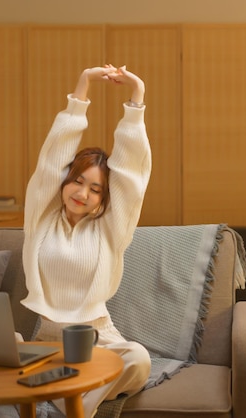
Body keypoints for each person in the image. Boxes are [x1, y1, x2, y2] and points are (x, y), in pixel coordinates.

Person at [21, 64, 153, 417]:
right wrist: (82, 86)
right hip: (47, 342)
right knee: (3, 352)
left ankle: (68, 407)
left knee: (138, 360)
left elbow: (129, 176)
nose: (82, 193)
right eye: (78, 181)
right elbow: (52, 157)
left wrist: (135, 97)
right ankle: (69, 394)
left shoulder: (111, 230)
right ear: (65, 181)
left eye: (95, 189)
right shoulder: (40, 219)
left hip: (99, 338)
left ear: (104, 199)